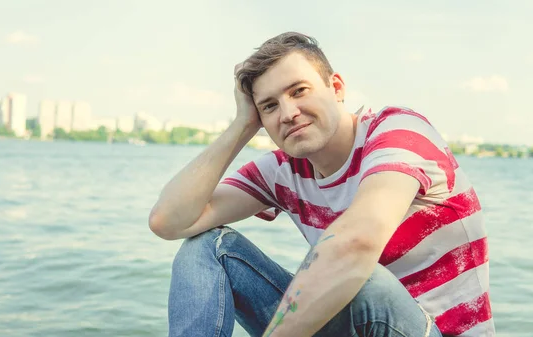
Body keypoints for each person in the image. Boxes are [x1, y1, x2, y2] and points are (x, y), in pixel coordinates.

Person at [148, 32, 494, 337]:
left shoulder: (398, 133)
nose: (287, 113)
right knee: (208, 246)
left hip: (430, 330)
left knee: (357, 276)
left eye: (299, 91)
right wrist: (242, 124)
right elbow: (169, 221)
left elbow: (355, 244)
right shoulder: (283, 170)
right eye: (269, 106)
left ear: (337, 88)